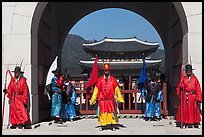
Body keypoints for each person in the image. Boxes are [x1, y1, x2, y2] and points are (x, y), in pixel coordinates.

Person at [90, 63, 124, 131]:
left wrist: (119, 98)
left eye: (107, 70)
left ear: (109, 71)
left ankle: (112, 125)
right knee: (102, 113)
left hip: (110, 100)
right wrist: (93, 99)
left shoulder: (113, 80)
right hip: (102, 100)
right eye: (105, 70)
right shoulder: (100, 80)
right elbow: (96, 90)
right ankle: (103, 125)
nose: (106, 71)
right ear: (103, 71)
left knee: (111, 113)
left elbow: (117, 90)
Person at [176, 64, 202, 128]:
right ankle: (185, 122)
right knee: (185, 109)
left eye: (190, 70)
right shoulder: (183, 79)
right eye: (187, 70)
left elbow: (198, 89)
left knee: (194, 109)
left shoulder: (195, 79)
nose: (189, 72)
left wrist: (198, 98)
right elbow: (178, 88)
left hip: (193, 96)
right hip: (185, 96)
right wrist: (180, 87)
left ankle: (195, 122)